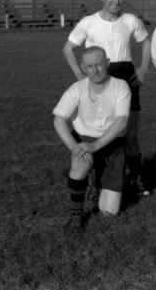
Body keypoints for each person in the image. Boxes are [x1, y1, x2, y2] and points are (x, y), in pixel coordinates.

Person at [63, 0, 152, 197]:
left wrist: (142, 68)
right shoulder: (88, 22)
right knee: (99, 130)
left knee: (129, 132)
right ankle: (96, 175)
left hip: (126, 75)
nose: (116, 0)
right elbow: (68, 49)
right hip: (99, 76)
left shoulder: (130, 20)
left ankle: (136, 177)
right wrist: (79, 75)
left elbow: (146, 42)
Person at [53, 46, 130, 233]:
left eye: (99, 65)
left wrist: (95, 145)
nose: (95, 70)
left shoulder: (120, 86)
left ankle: (97, 181)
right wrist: (75, 147)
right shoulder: (77, 88)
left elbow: (121, 122)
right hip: (84, 140)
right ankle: (76, 216)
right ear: (83, 67)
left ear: (108, 63)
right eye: (89, 66)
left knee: (108, 211)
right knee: (79, 167)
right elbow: (59, 120)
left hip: (112, 142)